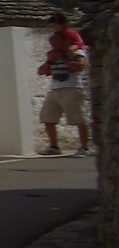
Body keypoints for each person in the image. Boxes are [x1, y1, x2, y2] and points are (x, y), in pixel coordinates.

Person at [39, 13, 93, 155]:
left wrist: (63, 58)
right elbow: (42, 71)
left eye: (55, 42)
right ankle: (54, 146)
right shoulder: (52, 54)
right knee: (48, 117)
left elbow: (80, 66)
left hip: (72, 88)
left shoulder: (76, 52)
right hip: (55, 89)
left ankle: (84, 147)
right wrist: (49, 61)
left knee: (78, 118)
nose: (53, 45)